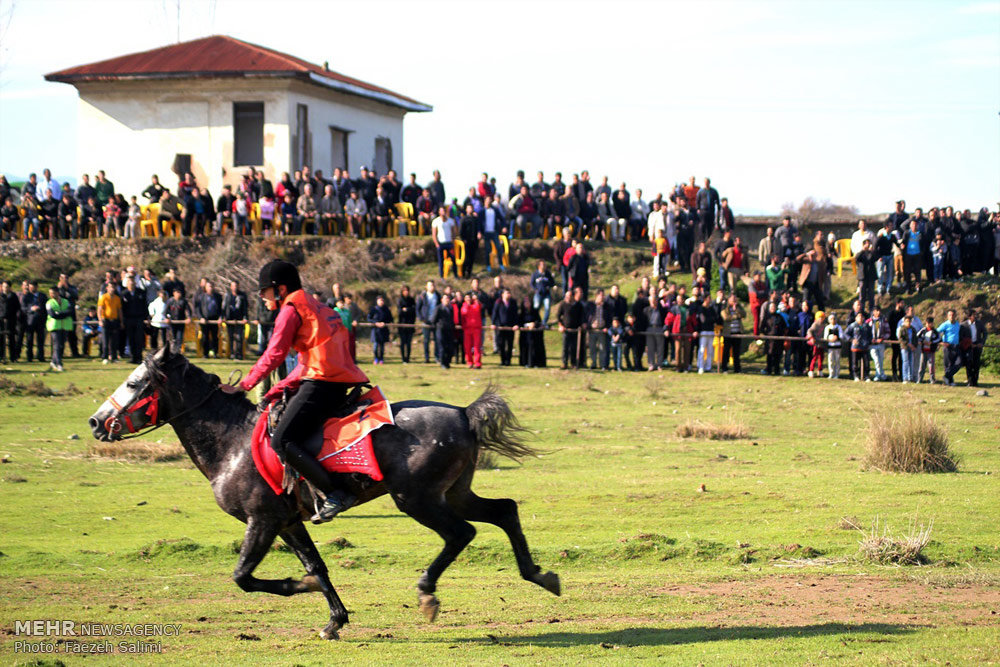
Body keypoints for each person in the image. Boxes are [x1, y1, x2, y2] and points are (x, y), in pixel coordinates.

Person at [221, 260, 369, 522]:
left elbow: (275, 354)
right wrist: (275, 390)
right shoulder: (316, 307)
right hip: (336, 381)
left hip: (321, 383)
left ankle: (335, 493)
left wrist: (244, 386)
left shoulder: (290, 310)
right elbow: (304, 363)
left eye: (264, 290)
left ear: (280, 289)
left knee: (282, 440)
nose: (261, 296)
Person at [556, 288, 585, 370]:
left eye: (569, 296)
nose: (567, 298)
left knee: (574, 348)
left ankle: (573, 363)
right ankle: (564, 363)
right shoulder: (563, 304)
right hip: (566, 329)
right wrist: (560, 325)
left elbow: (582, 317)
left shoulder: (578, 305)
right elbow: (558, 316)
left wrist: (582, 324)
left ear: (572, 296)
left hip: (575, 330)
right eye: (566, 296)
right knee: (565, 347)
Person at [44, 287, 72, 371]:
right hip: (54, 326)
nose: (51, 295)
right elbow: (52, 315)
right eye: (50, 293)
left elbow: (70, 311)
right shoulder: (49, 303)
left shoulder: (66, 301)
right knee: (57, 345)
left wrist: (59, 313)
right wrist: (63, 314)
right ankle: (59, 363)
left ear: (57, 293)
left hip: (65, 326)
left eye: (53, 293)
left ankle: (53, 361)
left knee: (62, 345)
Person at [120, 276, 147, 364]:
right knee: (131, 339)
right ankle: (133, 357)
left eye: (133, 282)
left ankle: (139, 357)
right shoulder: (124, 294)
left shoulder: (141, 293)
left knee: (139, 338)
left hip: (139, 318)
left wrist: (146, 317)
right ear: (127, 283)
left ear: (135, 283)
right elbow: (121, 308)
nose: (131, 284)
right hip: (128, 319)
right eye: (129, 282)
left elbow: (144, 306)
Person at [491, 288, 519, 367]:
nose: (508, 295)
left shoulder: (513, 302)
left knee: (510, 344)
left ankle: (508, 361)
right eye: (507, 293)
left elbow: (515, 314)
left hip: (510, 327)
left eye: (509, 293)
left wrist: (516, 324)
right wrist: (493, 323)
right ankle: (503, 360)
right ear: (503, 294)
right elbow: (494, 313)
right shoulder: (498, 302)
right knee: (501, 344)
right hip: (501, 327)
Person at [194, 281, 222, 358]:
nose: (210, 288)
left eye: (211, 286)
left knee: (215, 337)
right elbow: (197, 309)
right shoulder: (201, 297)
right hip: (204, 319)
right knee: (205, 337)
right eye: (208, 286)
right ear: (205, 288)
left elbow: (221, 308)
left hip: (215, 319)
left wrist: (220, 317)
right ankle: (205, 354)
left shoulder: (218, 297)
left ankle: (215, 353)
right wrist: (201, 318)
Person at [97, 282, 123, 364]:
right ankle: (105, 357)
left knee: (114, 340)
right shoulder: (103, 297)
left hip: (114, 321)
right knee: (105, 340)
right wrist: (100, 320)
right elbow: (99, 309)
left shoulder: (117, 298)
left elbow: (119, 310)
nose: (112, 289)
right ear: (107, 288)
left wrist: (121, 321)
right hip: (106, 320)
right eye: (110, 287)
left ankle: (114, 357)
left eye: (113, 287)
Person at [719, 294, 745, 373]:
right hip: (728, 333)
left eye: (735, 299)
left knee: (736, 352)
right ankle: (724, 368)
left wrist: (736, 310)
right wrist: (736, 316)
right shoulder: (725, 308)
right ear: (728, 300)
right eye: (732, 299)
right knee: (726, 351)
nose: (734, 301)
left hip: (737, 332)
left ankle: (737, 368)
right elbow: (726, 317)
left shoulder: (738, 307)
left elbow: (744, 314)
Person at [222, 281, 248, 360]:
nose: (235, 287)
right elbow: (224, 307)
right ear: (231, 287)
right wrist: (223, 317)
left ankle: (239, 354)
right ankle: (231, 354)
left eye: (236, 286)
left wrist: (245, 317)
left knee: (239, 337)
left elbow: (245, 307)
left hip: (239, 319)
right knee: (230, 337)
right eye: (233, 286)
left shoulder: (242, 295)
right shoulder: (227, 296)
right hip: (229, 319)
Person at [416, 281, 439, 363]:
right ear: (426, 287)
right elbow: (418, 308)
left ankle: (437, 357)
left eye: (433, 285)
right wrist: (421, 318)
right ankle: (427, 357)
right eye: (430, 285)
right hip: (426, 321)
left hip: (435, 321)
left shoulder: (438, 295)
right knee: (426, 340)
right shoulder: (422, 296)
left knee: (437, 340)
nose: (431, 287)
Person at [961, 311, 986, 387]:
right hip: (968, 347)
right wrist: (968, 343)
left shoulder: (979, 323)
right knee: (969, 364)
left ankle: (975, 381)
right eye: (973, 315)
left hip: (977, 346)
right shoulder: (963, 325)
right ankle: (970, 381)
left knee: (976, 364)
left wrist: (981, 343)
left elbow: (985, 333)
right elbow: (961, 336)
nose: (975, 317)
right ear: (969, 316)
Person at [431, 206, 457, 278]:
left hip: (449, 243)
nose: (443, 212)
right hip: (441, 244)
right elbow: (434, 234)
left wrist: (453, 241)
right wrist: (437, 244)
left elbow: (454, 232)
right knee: (441, 261)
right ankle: (442, 276)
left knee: (453, 259)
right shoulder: (436, 221)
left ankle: (456, 275)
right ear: (439, 212)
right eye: (441, 211)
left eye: (444, 211)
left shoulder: (450, 221)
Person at [760, 301, 786, 375]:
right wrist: (766, 334)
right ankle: (769, 370)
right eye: (771, 307)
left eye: (774, 307)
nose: (773, 308)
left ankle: (777, 371)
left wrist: (781, 334)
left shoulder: (779, 317)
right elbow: (761, 328)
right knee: (769, 355)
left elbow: (784, 327)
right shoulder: (766, 317)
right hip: (770, 340)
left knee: (777, 356)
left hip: (778, 340)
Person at [845, 311, 872, 381]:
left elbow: (870, 335)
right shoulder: (852, 325)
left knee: (866, 363)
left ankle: (866, 376)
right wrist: (851, 340)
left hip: (865, 347)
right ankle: (855, 375)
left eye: (862, 316)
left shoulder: (866, 326)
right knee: (855, 363)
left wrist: (868, 342)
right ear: (856, 318)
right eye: (859, 316)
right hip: (855, 347)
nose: (860, 318)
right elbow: (846, 334)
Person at [460, 292, 484, 368]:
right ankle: (469, 362)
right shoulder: (464, 307)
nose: (468, 299)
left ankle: (477, 363)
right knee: (467, 347)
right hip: (467, 329)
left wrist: (476, 300)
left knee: (477, 347)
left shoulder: (476, 305)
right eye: (466, 298)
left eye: (469, 298)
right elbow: (463, 316)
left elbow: (480, 306)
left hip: (476, 329)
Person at [432, 293, 456, 369]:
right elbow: (434, 320)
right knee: (442, 347)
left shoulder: (450, 308)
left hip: (449, 330)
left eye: (448, 299)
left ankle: (447, 362)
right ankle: (443, 363)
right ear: (442, 300)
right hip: (441, 330)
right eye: (445, 298)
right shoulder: (438, 308)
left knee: (450, 348)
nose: (447, 300)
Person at [368, 295, 392, 365]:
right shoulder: (373, 309)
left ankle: (381, 359)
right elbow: (369, 318)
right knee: (375, 346)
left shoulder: (386, 309)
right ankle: (376, 358)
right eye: (379, 300)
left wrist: (384, 323)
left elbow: (390, 319)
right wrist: (375, 323)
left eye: (382, 300)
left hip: (383, 330)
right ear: (377, 301)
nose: (381, 302)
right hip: (375, 330)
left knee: (382, 346)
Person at [165, 287, 190, 354]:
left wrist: (188, 318)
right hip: (172, 322)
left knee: (179, 337)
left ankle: (177, 351)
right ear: (174, 293)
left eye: (180, 293)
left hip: (181, 322)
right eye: (177, 293)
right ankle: (172, 351)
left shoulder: (183, 301)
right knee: (173, 338)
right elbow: (165, 311)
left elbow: (188, 310)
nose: (178, 294)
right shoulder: (170, 301)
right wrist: (167, 318)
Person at [530, 260, 554, 326]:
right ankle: (535, 321)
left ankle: (544, 322)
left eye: (544, 265)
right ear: (539, 266)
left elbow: (552, 282)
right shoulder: (535, 274)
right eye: (542, 265)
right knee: (536, 307)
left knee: (547, 308)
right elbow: (532, 283)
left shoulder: (548, 274)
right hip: (538, 294)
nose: (544, 266)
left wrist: (549, 286)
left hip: (546, 294)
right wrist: (536, 289)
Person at [396, 285, 416, 364]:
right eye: (405, 291)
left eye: (407, 290)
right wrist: (403, 310)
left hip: (410, 324)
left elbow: (414, 310)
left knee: (408, 343)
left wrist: (407, 309)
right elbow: (399, 311)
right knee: (403, 342)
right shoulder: (400, 300)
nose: (406, 292)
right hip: (402, 325)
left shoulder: (411, 300)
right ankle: (403, 358)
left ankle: (408, 358)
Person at [823, 314, 843, 379]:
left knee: (837, 360)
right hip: (830, 346)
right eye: (831, 319)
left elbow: (841, 336)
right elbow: (825, 337)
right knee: (831, 360)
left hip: (837, 346)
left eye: (834, 319)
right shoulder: (827, 327)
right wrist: (830, 338)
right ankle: (831, 373)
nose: (833, 320)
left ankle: (837, 374)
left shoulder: (838, 327)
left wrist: (836, 338)